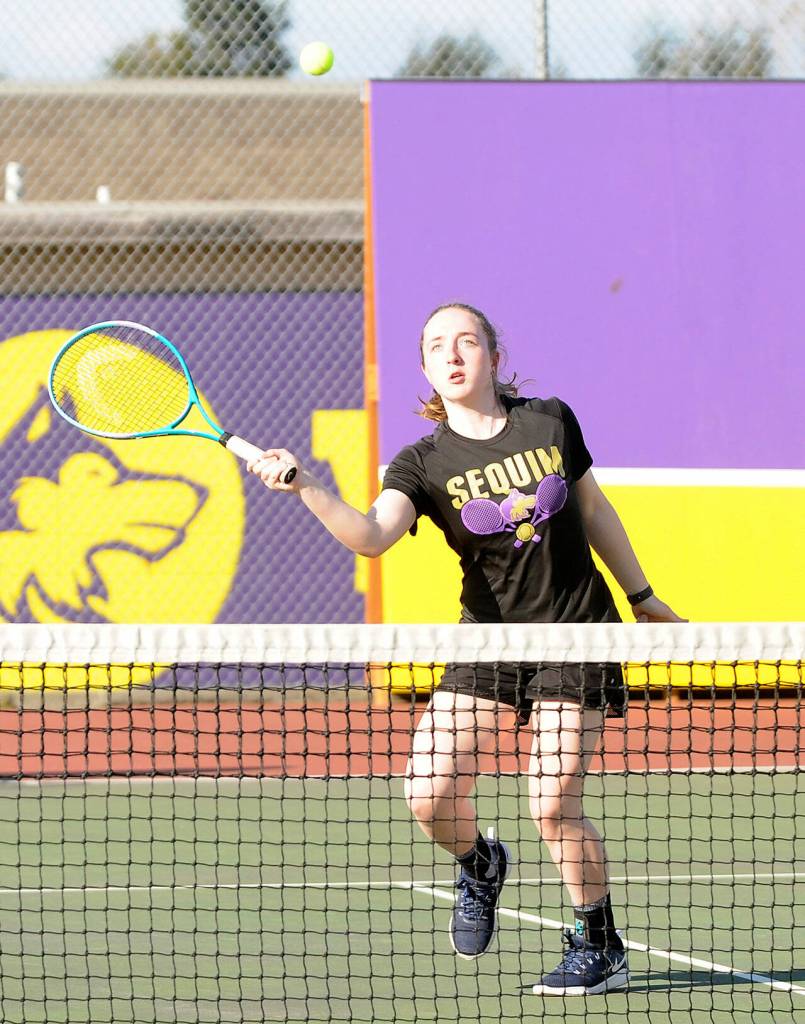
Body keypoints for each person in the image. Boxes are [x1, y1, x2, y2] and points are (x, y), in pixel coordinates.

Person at [247, 302, 685, 996]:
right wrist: (306, 487)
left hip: (575, 632)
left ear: (493, 357)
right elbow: (370, 537)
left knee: (552, 805)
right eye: (436, 347)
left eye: (466, 342)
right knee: (427, 794)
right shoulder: (421, 463)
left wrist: (642, 595)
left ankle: (599, 943)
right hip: (489, 640)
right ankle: (480, 863)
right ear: (424, 369)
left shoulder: (550, 420)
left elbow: (593, 509)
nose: (452, 355)